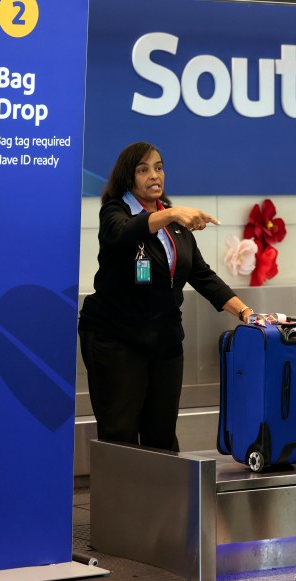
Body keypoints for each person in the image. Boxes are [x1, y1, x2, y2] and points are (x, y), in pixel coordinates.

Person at [78, 141, 255, 451]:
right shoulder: (115, 211)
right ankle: (124, 500)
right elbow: (121, 232)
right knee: (120, 434)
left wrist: (246, 313)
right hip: (116, 340)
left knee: (161, 435)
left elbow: (202, 275)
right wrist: (173, 213)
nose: (154, 176)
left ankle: (162, 500)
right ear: (128, 177)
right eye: (143, 169)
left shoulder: (174, 224)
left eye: (159, 168)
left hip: (164, 341)